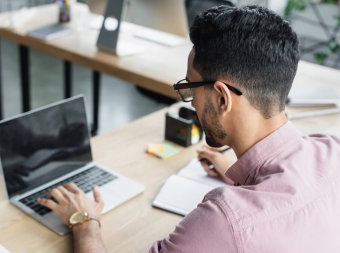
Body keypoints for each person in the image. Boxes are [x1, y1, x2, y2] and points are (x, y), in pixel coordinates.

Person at [38, 5, 340, 252]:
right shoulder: (332, 149)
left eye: (191, 87)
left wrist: (85, 222)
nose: (191, 102)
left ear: (222, 98)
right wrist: (242, 176)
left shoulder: (225, 221)